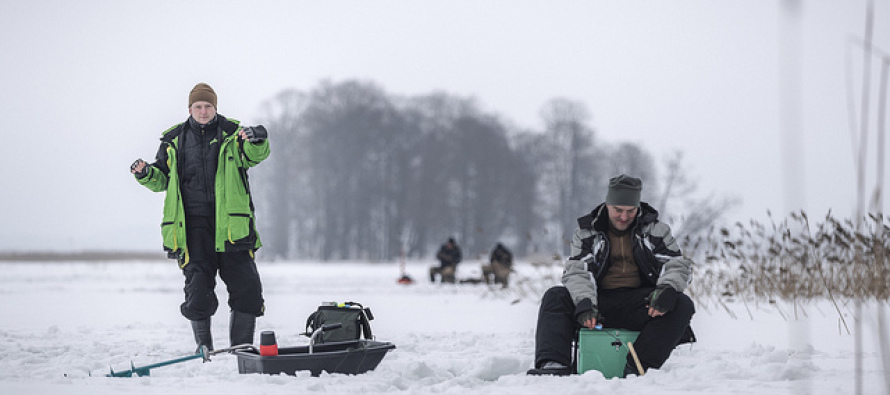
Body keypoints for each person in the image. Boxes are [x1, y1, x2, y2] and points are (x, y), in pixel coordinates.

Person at [130, 83, 270, 352]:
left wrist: (258, 138)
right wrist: (145, 173)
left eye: (208, 106)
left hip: (231, 226)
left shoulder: (233, 134)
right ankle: (203, 350)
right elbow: (161, 180)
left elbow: (255, 156)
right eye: (198, 106)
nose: (203, 111)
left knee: (248, 289)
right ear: (190, 109)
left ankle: (241, 350)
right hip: (193, 228)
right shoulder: (173, 140)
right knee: (198, 291)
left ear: (215, 108)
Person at [527, 174, 695, 376]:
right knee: (555, 296)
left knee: (682, 303)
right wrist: (585, 303)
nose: (624, 217)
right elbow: (578, 271)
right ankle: (553, 364)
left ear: (638, 208)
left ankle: (640, 366)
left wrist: (667, 289)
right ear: (608, 205)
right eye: (618, 210)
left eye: (630, 211)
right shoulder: (587, 232)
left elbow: (676, 265)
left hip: (642, 304)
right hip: (598, 305)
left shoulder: (657, 230)